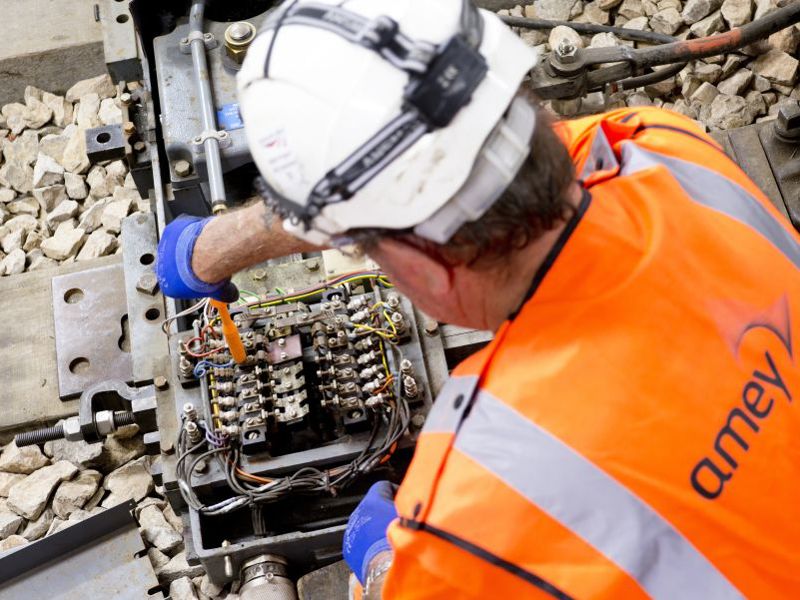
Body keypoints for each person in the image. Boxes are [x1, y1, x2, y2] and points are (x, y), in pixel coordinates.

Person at [157, 0, 800, 597]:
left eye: (368, 251)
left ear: (424, 264)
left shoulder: (483, 496)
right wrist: (222, 243)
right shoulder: (664, 147)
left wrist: (385, 559)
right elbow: (458, 146)